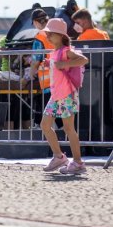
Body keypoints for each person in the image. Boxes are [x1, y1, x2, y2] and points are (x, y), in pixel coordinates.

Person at [39, 18, 89, 174]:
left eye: (50, 34)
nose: (47, 37)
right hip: (56, 95)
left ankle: (78, 163)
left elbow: (83, 59)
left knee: (68, 128)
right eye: (47, 34)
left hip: (66, 94)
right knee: (45, 125)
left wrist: (64, 64)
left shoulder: (65, 51)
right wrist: (51, 64)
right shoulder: (55, 52)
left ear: (60, 36)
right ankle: (59, 157)